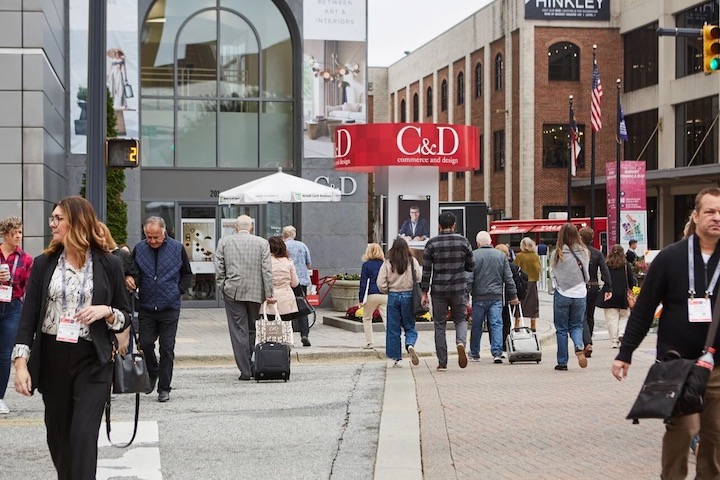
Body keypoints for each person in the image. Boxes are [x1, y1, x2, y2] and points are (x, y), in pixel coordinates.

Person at [12, 196, 130, 479]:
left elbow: (126, 316)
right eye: (52, 218)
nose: (52, 223)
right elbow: (28, 319)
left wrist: (107, 311)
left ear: (77, 223)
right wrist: (20, 365)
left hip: (93, 359)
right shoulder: (44, 264)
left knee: (83, 434)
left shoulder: (109, 264)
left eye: (58, 219)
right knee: (58, 436)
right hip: (53, 358)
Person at [613, 187, 720, 479]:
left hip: (717, 368)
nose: (717, 218)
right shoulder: (670, 258)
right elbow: (645, 308)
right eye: (710, 211)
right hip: (677, 364)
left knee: (715, 438)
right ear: (696, 216)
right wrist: (625, 353)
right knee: (683, 431)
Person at [131, 216, 191, 402]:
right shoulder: (139, 249)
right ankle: (153, 370)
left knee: (167, 348)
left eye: (156, 237)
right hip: (147, 306)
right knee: (146, 343)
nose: (152, 241)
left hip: (169, 307)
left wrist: (177, 291)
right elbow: (134, 272)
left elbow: (187, 274)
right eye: (149, 237)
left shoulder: (177, 248)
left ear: (163, 232)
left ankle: (164, 388)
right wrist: (131, 280)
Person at [214, 215, 274, 381]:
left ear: (235, 226)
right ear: (252, 228)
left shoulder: (224, 242)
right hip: (256, 291)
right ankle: (252, 364)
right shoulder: (262, 243)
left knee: (238, 329)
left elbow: (218, 267)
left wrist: (223, 285)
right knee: (252, 328)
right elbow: (267, 270)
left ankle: (245, 369)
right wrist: (269, 293)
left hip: (233, 290)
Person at [421, 211, 474, 371]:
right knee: (460, 320)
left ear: (439, 225)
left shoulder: (431, 243)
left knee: (439, 325)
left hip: (438, 290)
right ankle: (460, 343)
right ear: (454, 225)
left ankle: (442, 362)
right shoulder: (463, 242)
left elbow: (426, 271)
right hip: (459, 289)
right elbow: (471, 266)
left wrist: (424, 292)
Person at [467, 232, 517, 364]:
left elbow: (469, 278)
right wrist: (513, 295)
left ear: (478, 243)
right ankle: (497, 353)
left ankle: (474, 353)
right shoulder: (501, 256)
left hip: (478, 296)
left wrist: (466, 296)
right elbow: (508, 278)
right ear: (490, 242)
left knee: (477, 325)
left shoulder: (473, 256)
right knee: (496, 324)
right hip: (496, 296)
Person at [0, 216, 32, 415]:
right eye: (15, 233)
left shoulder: (26, 259)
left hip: (13, 306)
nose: (19, 236)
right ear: (5, 233)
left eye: (21, 232)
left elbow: (28, 287)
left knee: (5, 354)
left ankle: (0, 397)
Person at [550, 223, 590, 371]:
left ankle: (562, 362)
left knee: (561, 329)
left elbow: (553, 275)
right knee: (576, 325)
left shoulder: (557, 253)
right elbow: (586, 273)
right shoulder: (584, 252)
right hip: (580, 293)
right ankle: (579, 346)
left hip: (562, 293)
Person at [96, 222, 140, 356]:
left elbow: (136, 274)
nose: (99, 239)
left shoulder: (121, 255)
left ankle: (124, 369)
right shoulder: (89, 258)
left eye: (102, 235)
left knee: (123, 344)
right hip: (99, 304)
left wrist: (130, 278)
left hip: (120, 303)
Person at [377, 237, 421, 367]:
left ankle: (397, 358)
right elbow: (418, 277)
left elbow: (380, 282)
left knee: (393, 328)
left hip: (393, 296)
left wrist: (387, 290)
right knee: (410, 325)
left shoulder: (388, 262)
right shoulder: (412, 261)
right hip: (409, 295)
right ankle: (410, 344)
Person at [578, 227, 612, 357]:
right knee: (590, 315)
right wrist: (608, 287)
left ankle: (587, 342)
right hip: (594, 286)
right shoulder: (597, 253)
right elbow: (605, 271)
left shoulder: (579, 253)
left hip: (582, 286)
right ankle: (589, 341)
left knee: (582, 316)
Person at [596, 244, 635, 349]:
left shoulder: (607, 264)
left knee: (611, 319)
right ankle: (622, 333)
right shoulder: (626, 265)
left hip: (609, 293)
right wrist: (630, 289)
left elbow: (603, 278)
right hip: (623, 294)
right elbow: (631, 280)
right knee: (624, 316)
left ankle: (614, 340)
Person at [282, 225, 312, 347]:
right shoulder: (302, 245)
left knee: (285, 308)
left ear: (284, 234)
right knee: (302, 308)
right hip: (301, 282)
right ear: (293, 234)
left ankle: (287, 336)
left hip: (286, 282)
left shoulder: (282, 246)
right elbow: (308, 264)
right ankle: (304, 334)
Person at [358, 243, 387, 349]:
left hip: (371, 294)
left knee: (367, 318)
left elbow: (363, 283)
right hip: (384, 294)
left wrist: (361, 299)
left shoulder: (366, 265)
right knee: (387, 319)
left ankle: (369, 342)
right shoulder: (385, 264)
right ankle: (391, 341)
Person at [495, 244, 521, 353]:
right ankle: (505, 344)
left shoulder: (494, 265)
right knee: (506, 322)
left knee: (495, 322)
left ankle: (496, 344)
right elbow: (514, 282)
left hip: (495, 297)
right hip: (507, 299)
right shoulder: (512, 266)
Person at [513, 237, 542, 332]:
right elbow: (539, 268)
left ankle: (517, 324)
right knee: (533, 304)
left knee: (520, 303)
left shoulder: (519, 256)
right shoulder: (535, 256)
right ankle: (533, 324)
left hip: (522, 282)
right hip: (533, 282)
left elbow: (515, 268)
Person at [268, 236, 299, 322]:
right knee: (286, 327)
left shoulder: (266, 262)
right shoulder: (289, 262)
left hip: (270, 297)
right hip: (286, 297)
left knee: (270, 327)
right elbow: (295, 283)